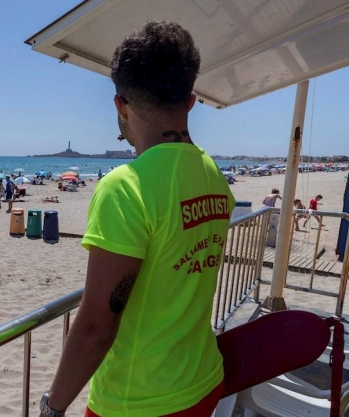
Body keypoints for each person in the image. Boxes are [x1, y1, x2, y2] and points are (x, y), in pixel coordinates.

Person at [40, 21, 234, 417]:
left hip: (139, 400)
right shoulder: (213, 173)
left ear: (121, 105)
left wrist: (53, 408)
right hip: (201, 379)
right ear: (191, 100)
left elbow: (96, 325)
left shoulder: (125, 189)